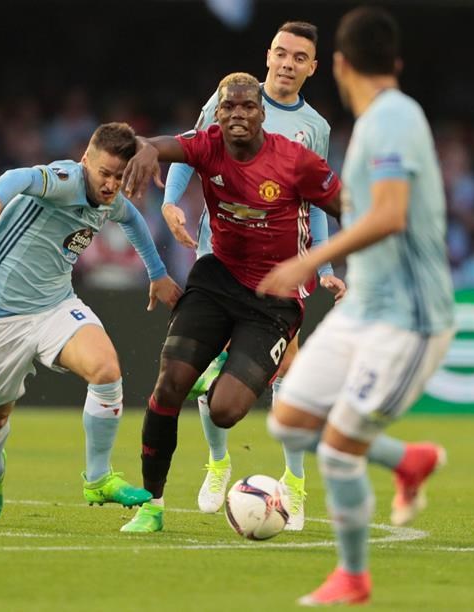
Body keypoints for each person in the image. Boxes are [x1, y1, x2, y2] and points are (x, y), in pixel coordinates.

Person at [257, 8, 455, 606]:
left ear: (336, 64)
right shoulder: (374, 121)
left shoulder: (392, 119)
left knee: (340, 449)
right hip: (364, 308)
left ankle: (353, 577)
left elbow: (390, 215)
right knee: (287, 419)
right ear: (393, 62)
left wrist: (307, 260)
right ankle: (406, 460)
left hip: (408, 319)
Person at [119, 72, 342, 533]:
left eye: (247, 107)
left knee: (224, 410)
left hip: (275, 300)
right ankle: (152, 505)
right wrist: (142, 147)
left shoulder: (295, 161)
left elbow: (347, 207)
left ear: (262, 113)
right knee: (168, 386)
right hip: (217, 280)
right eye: (229, 108)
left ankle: (228, 375)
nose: (238, 115)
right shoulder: (209, 145)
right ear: (217, 113)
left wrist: (333, 263)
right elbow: (162, 145)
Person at [0, 122, 182, 526]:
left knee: (106, 370)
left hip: (55, 306)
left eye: (119, 177)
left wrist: (156, 273)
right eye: (104, 173)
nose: (110, 184)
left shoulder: (110, 200)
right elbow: (20, 176)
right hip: (1, 317)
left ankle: (98, 478)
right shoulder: (66, 180)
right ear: (86, 160)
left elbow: (133, 219)